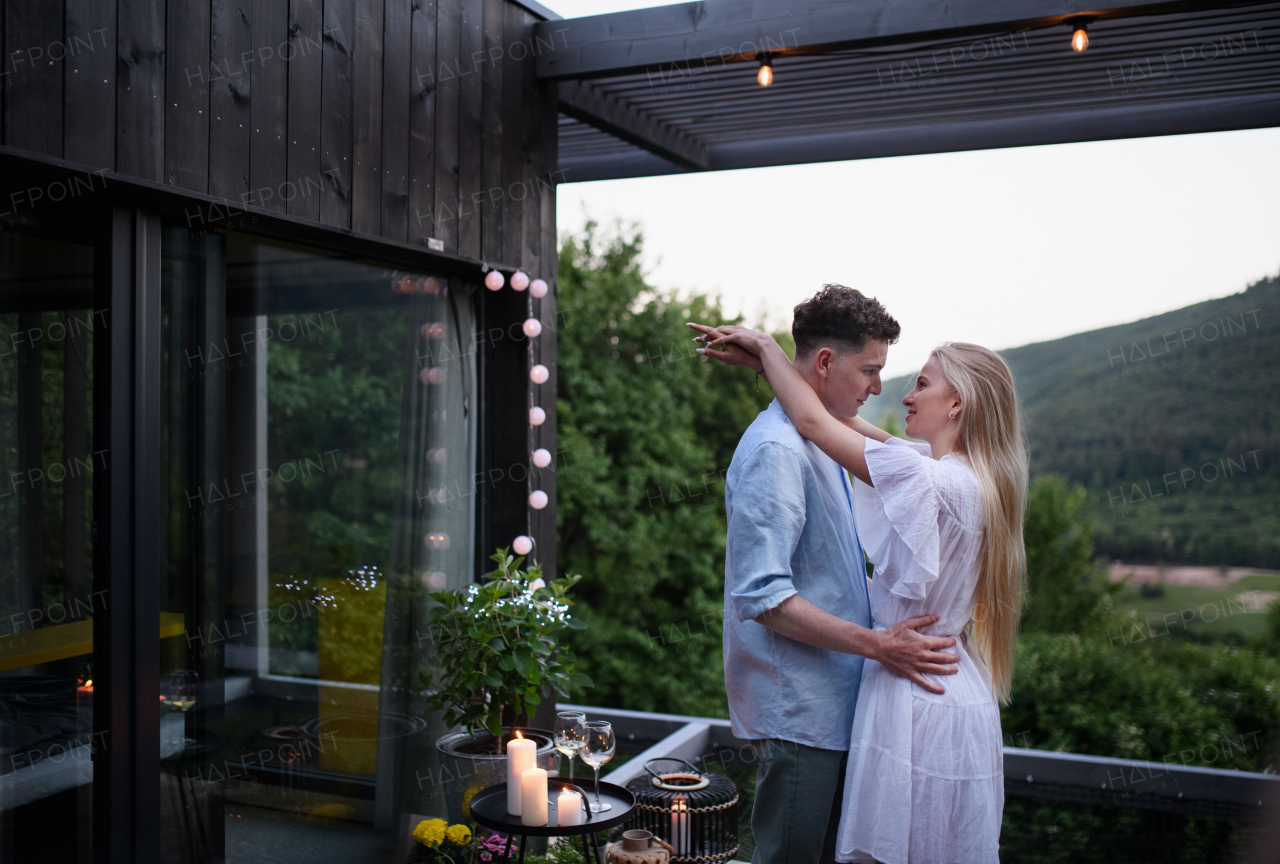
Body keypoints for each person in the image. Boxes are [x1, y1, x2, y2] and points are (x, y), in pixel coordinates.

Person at [692, 318, 1029, 864]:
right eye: (876, 371)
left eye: (922, 383)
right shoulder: (960, 475)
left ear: (957, 404)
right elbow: (831, 417)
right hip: (948, 685)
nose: (900, 392)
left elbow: (811, 418)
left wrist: (764, 347)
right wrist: (772, 365)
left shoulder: (932, 480)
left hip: (917, 693)